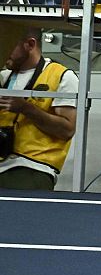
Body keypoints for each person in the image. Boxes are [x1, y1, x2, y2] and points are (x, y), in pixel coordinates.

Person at [0, 26, 78, 191]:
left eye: (8, 46)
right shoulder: (4, 77)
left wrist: (26, 108)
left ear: (30, 44)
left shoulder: (62, 77)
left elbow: (67, 130)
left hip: (32, 166)